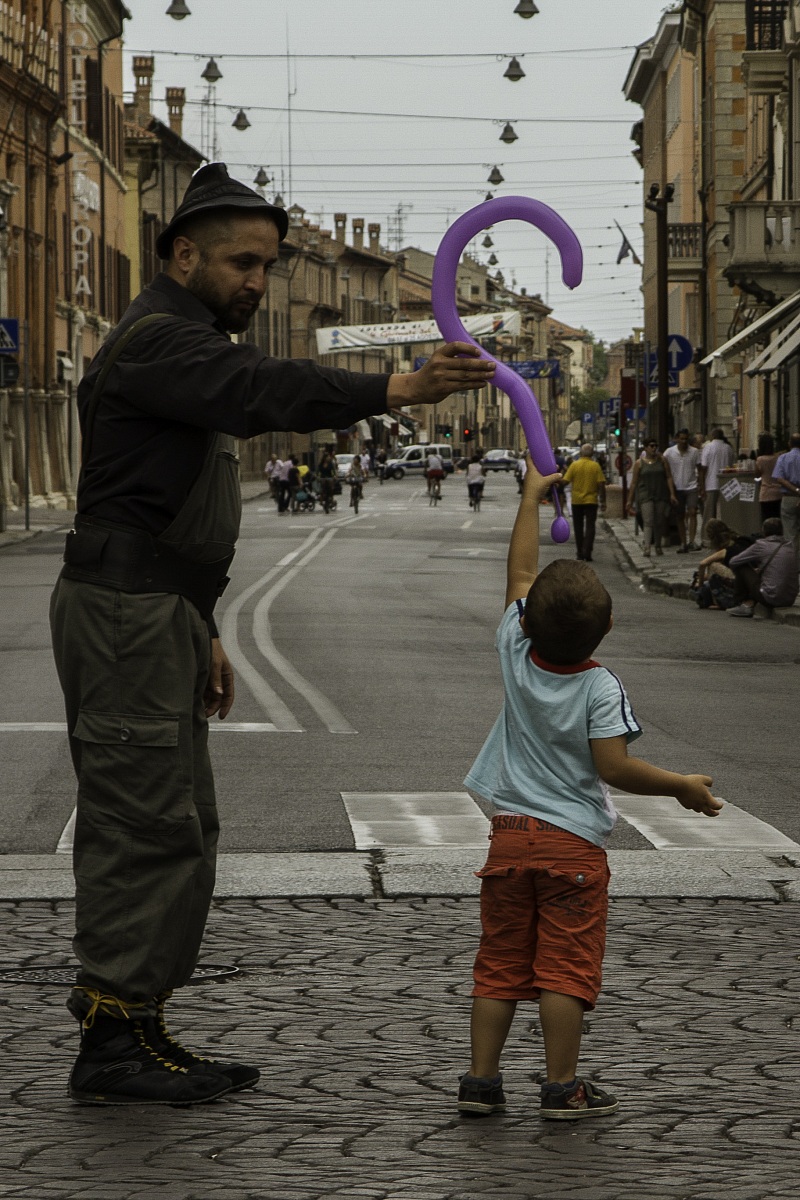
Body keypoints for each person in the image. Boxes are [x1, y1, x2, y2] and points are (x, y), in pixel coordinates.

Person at [49, 161, 496, 1107]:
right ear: (182, 254)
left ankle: (140, 1022)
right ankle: (114, 1039)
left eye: (268, 264)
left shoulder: (185, 340)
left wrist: (200, 620)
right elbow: (265, 389)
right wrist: (398, 386)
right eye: (242, 263)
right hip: (128, 614)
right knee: (144, 823)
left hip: (157, 610)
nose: (259, 281)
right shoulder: (162, 341)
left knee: (177, 823)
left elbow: (159, 502)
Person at [457, 456, 721, 1121]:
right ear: (607, 629)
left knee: (499, 967)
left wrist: (527, 499)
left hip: (510, 839)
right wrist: (681, 787)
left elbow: (518, 573)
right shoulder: (600, 687)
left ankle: (481, 1083)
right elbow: (614, 768)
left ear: (526, 626)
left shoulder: (515, 653)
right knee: (562, 970)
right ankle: (561, 1086)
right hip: (572, 849)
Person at [726, 518, 799, 618]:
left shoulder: (761, 545)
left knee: (741, 566)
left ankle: (744, 603)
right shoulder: (790, 546)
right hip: (790, 598)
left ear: (764, 531)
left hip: (770, 597)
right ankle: (750, 602)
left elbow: (733, 561)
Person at [628, 438, 676, 556]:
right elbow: (634, 482)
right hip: (645, 495)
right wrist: (630, 500)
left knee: (659, 521)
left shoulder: (662, 460)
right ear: (645, 448)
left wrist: (672, 494)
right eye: (651, 446)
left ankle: (658, 546)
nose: (654, 448)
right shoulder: (639, 463)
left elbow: (669, 477)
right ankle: (647, 547)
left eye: (656, 446)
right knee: (648, 520)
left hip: (660, 493)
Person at [693, 518, 752, 610]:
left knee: (712, 565)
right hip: (749, 577)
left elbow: (703, 564)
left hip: (742, 580)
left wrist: (700, 585)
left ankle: (718, 602)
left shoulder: (726, 550)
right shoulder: (740, 540)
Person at [561, 444, 606, 562]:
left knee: (578, 527)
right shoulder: (595, 466)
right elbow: (601, 484)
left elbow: (565, 481)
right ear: (592, 454)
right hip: (591, 500)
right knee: (590, 527)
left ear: (581, 453)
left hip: (577, 501)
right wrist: (603, 501)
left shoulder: (574, 465)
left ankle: (580, 552)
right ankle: (588, 551)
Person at [663, 429, 700, 552]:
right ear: (676, 439)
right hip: (677, 487)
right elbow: (664, 466)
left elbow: (700, 468)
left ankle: (692, 541)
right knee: (680, 516)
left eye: (686, 439)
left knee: (693, 512)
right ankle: (683, 542)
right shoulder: (669, 452)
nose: (684, 441)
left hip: (692, 486)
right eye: (682, 439)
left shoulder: (694, 452)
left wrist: (701, 485)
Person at [698, 428, 734, 536]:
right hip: (726, 484)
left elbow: (703, 468)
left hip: (711, 483)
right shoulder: (728, 448)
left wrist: (702, 486)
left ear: (712, 436)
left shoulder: (708, 447)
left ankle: (707, 536)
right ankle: (725, 535)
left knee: (709, 513)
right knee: (725, 513)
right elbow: (731, 465)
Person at [772, 432, 800, 555]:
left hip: (789, 498)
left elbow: (779, 478)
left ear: (789, 444)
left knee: (790, 532)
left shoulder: (783, 458)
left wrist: (796, 490)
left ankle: (793, 563)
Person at [755, 433, 782, 523]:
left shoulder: (760, 460)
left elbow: (757, 475)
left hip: (766, 493)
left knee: (767, 520)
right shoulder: (778, 458)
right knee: (778, 519)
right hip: (778, 492)